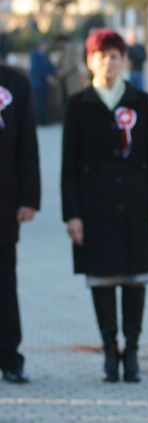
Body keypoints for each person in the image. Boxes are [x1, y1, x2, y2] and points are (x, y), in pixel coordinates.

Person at [61, 28, 148, 383]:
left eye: (115, 56)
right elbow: (69, 167)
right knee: (103, 281)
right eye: (101, 56)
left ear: (124, 61)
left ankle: (132, 352)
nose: (108, 62)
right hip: (95, 209)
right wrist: (72, 215)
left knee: (135, 280)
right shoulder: (79, 105)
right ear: (90, 61)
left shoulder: (141, 101)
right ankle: (110, 351)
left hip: (138, 206)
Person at [0, 63, 40, 384]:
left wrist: (29, 198)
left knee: (4, 285)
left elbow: (28, 145)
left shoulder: (15, 82)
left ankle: (10, 358)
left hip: (5, 203)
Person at [29, 39, 56, 125]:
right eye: (45, 44)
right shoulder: (34, 55)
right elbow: (36, 68)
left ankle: (44, 120)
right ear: (40, 45)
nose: (46, 46)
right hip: (38, 84)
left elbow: (50, 67)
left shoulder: (46, 55)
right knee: (38, 103)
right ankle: (39, 120)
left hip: (45, 85)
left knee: (45, 102)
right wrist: (47, 76)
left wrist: (52, 74)